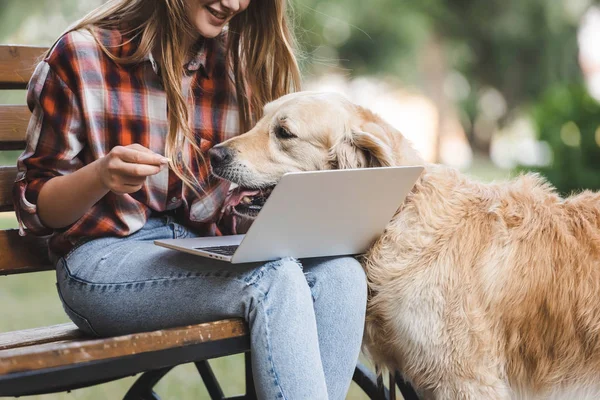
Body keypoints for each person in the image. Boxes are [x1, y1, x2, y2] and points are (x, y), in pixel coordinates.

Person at [12, 0, 367, 398]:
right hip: (102, 265)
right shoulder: (82, 55)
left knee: (341, 275)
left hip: (197, 250)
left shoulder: (235, 62)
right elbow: (39, 210)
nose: (233, 4)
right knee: (274, 279)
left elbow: (240, 199)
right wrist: (100, 176)